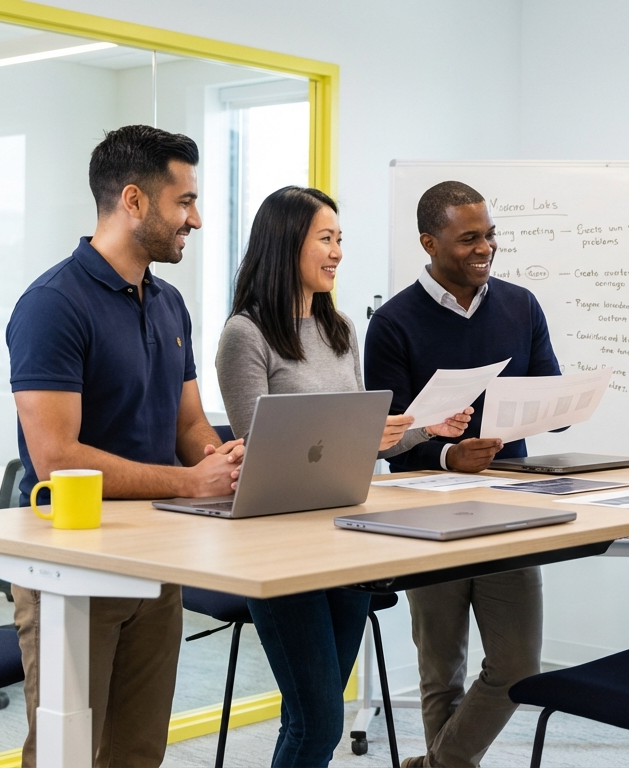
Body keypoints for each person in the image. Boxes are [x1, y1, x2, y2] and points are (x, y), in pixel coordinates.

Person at [6, 125, 244, 768]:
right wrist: (190, 484)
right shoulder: (53, 305)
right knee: (67, 751)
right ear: (134, 201)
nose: (195, 218)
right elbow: (58, 457)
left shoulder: (169, 304)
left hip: (155, 558)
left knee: (138, 752)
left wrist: (219, 458)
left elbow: (188, 424)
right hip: (72, 564)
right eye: (184, 201)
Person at [215, 185, 470, 767]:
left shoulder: (341, 329)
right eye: (325, 239)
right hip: (279, 545)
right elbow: (262, 451)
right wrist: (358, 438)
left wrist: (427, 427)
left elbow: (365, 443)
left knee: (316, 715)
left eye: (339, 240)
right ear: (286, 244)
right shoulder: (245, 335)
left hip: (347, 537)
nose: (336, 253)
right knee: (319, 720)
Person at [364, 181, 561, 768]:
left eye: (491, 234)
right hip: (425, 512)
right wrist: (450, 455)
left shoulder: (521, 305)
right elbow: (389, 443)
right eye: (469, 238)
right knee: (441, 668)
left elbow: (547, 390)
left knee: (517, 664)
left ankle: (436, 766)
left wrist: (559, 408)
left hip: (510, 505)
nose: (486, 248)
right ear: (429, 242)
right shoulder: (393, 323)